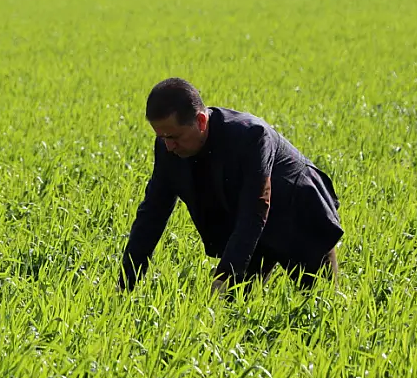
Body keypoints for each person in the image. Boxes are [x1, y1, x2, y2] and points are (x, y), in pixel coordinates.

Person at [118, 78, 344, 296]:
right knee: (233, 307)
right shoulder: (168, 147)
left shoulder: (250, 135)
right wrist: (125, 283)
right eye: (162, 137)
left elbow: (255, 208)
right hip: (248, 227)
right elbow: (152, 215)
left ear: (201, 121)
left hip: (298, 214)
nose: (168, 146)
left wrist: (225, 275)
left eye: (174, 137)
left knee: (319, 305)